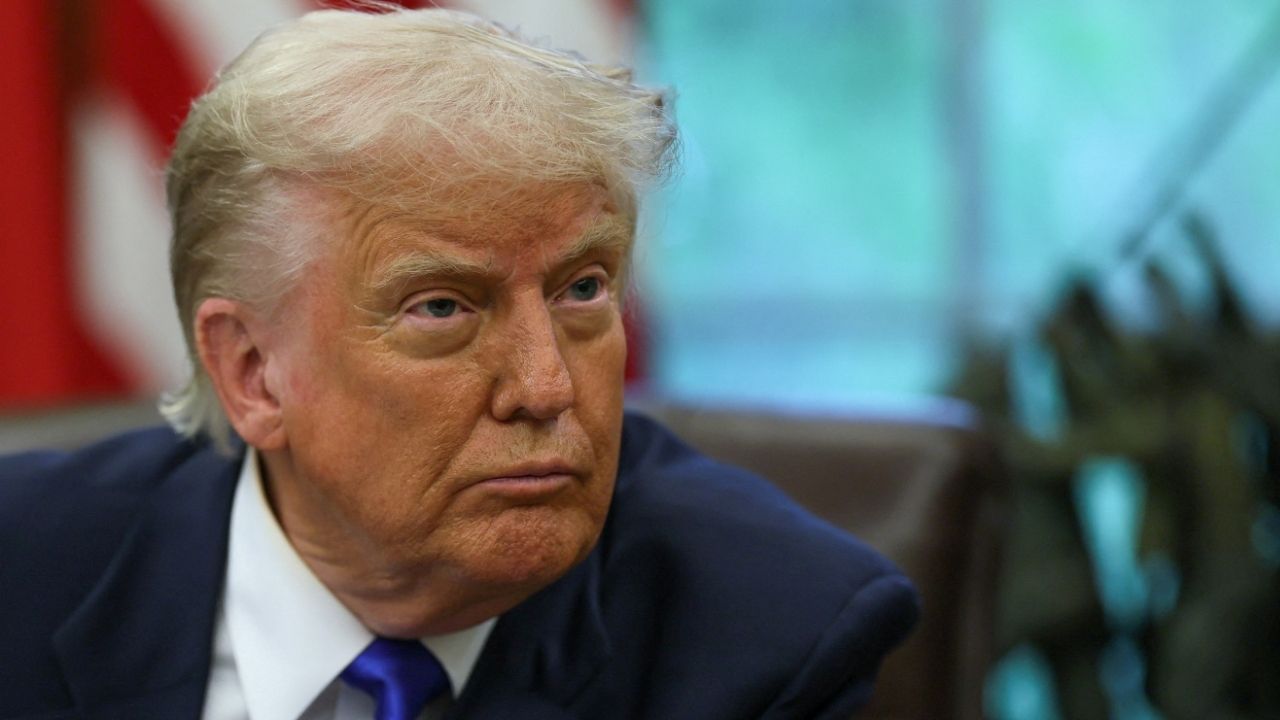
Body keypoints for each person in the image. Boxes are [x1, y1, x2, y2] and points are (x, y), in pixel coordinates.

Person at [0, 7, 918, 719]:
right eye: (441, 306)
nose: (547, 386)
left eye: (584, 290)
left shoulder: (772, 631)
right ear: (252, 372)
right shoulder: (24, 572)